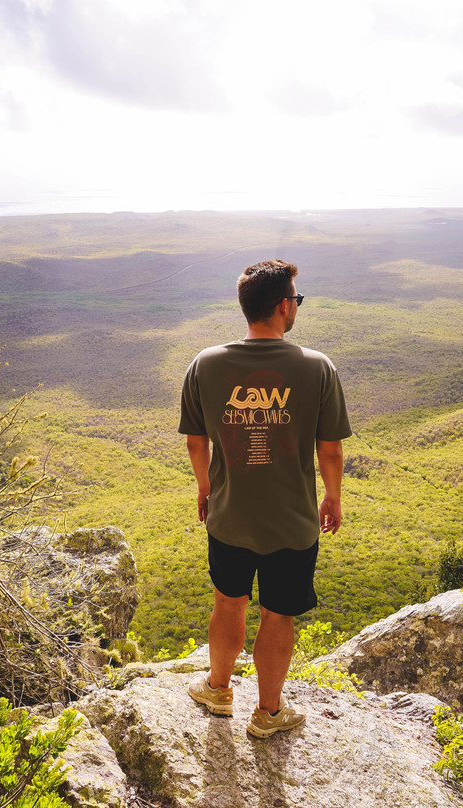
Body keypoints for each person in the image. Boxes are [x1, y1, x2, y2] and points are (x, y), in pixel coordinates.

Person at [178, 259, 351, 738]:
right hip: (292, 524)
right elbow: (330, 450)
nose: (296, 306)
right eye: (296, 299)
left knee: (227, 602)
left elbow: (196, 443)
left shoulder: (206, 364)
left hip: (229, 517)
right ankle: (268, 714)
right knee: (278, 615)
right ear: (282, 306)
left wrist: (206, 489)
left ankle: (217, 689)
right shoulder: (317, 368)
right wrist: (333, 497)